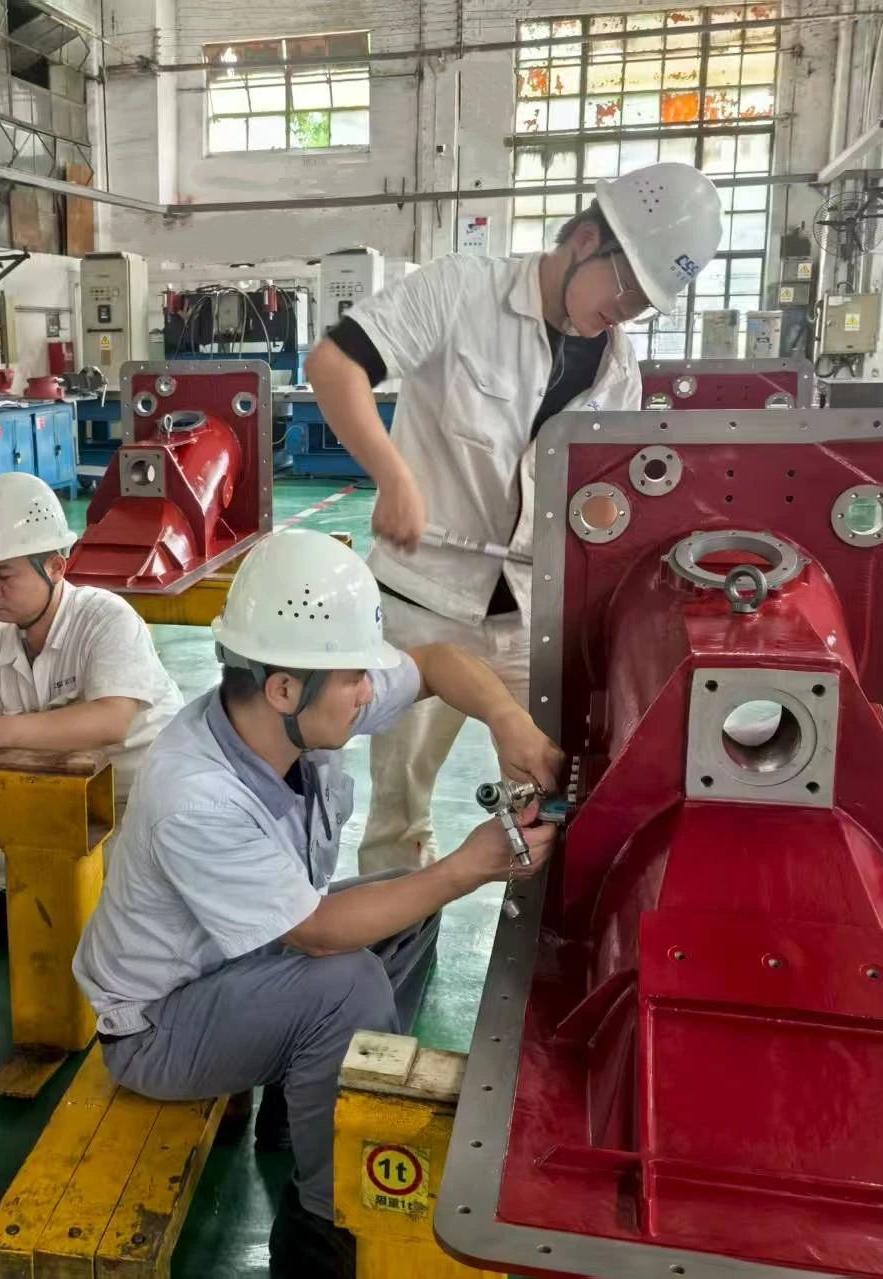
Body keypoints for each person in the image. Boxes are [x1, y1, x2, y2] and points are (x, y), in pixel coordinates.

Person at [72, 529, 563, 1278]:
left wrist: (510, 723)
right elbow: (317, 934)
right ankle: (321, 1221)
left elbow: (437, 663)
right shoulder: (195, 794)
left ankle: (312, 1090)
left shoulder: (296, 702)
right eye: (355, 677)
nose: (370, 690)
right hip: (158, 1025)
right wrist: (471, 866)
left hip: (238, 963)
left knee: (404, 910)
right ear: (282, 688)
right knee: (348, 981)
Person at [304, 162, 723, 874]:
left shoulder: (617, 372)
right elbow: (333, 365)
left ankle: (541, 916)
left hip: (532, 616)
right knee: (398, 803)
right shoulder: (460, 292)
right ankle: (397, 918)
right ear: (586, 240)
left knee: (558, 783)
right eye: (626, 288)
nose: (627, 312)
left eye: (645, 304)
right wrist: (394, 477)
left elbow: (606, 506)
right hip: (422, 605)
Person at [0, 472, 182, 949]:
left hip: (139, 801)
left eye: (4, 575)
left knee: (112, 925)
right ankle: (14, 894)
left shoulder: (105, 618)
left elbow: (113, 719)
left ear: (56, 567)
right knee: (15, 797)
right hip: (65, 800)